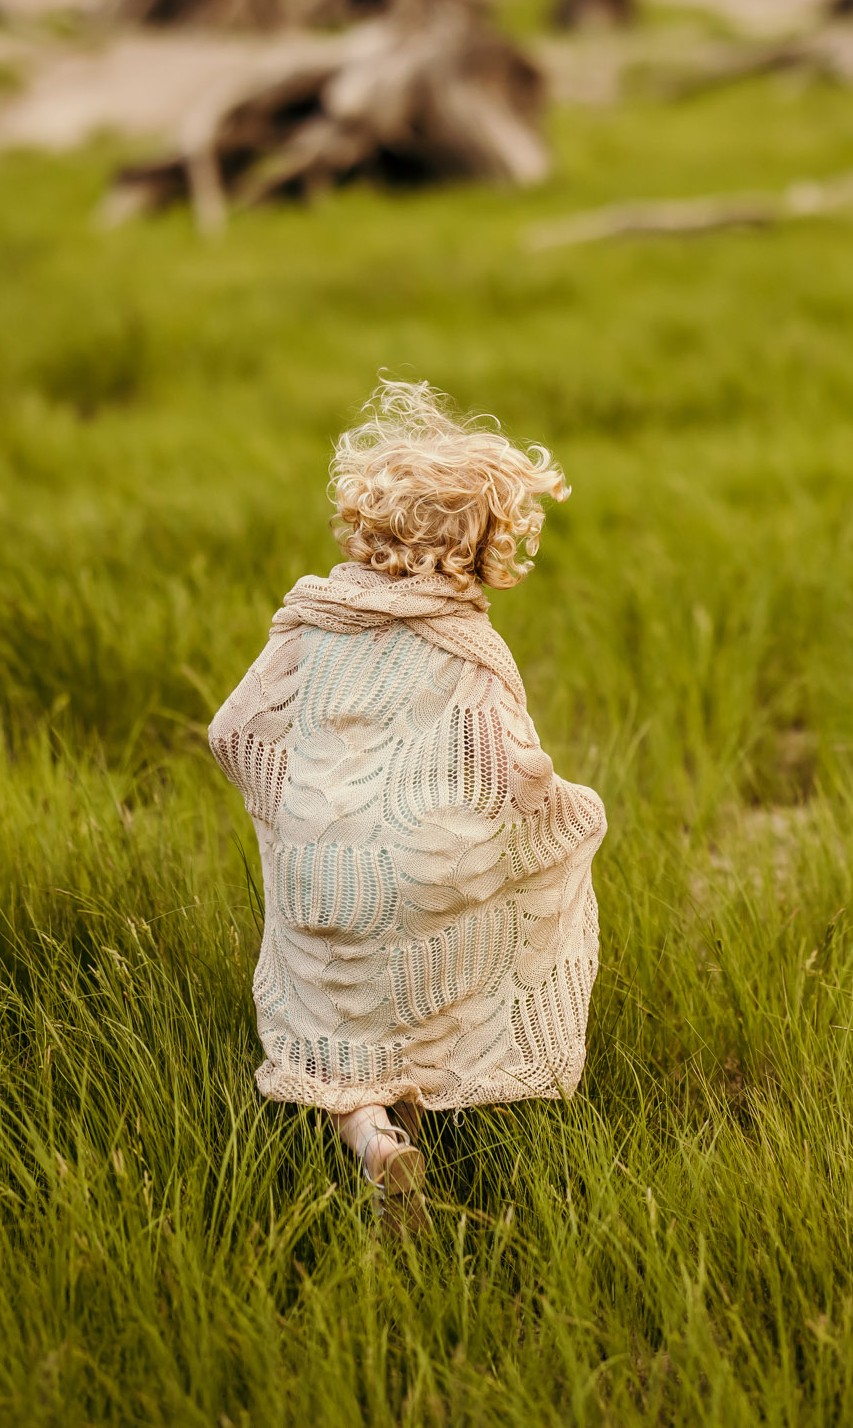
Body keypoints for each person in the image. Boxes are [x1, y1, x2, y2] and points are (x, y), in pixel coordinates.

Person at [207, 381, 606, 1222]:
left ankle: (370, 1137)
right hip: (428, 869)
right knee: (454, 936)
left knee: (325, 1002)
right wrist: (549, 807)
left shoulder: (311, 618)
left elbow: (232, 730)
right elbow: (512, 769)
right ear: (489, 544)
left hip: (324, 863)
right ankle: (417, 1100)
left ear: (366, 519)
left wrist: (296, 810)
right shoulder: (472, 645)